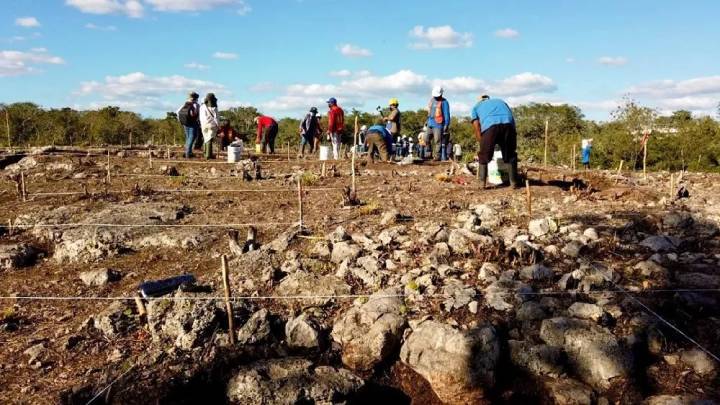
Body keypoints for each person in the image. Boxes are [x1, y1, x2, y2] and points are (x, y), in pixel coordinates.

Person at [471, 95, 519, 188]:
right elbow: (511, 118)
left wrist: (482, 144)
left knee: (484, 156)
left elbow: (476, 126)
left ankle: (481, 184)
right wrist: (513, 134)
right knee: (511, 155)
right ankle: (514, 183)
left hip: (490, 127)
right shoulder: (500, 101)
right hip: (508, 124)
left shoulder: (476, 107)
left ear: (479, 101)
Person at [426, 86, 451, 161]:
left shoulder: (444, 102)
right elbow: (429, 112)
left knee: (437, 141)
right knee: (426, 138)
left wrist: (446, 124)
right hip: (430, 122)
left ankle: (437, 156)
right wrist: (427, 122)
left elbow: (447, 114)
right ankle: (428, 153)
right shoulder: (432, 100)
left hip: (438, 124)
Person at [177, 92, 200, 158]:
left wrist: (180, 120)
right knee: (192, 137)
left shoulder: (185, 104)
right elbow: (198, 114)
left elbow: (177, 112)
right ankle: (188, 153)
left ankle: (188, 152)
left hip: (185, 123)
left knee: (188, 137)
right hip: (193, 123)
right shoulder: (196, 105)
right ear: (196, 98)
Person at [199, 93, 219, 160]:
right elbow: (216, 118)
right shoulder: (214, 108)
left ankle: (205, 153)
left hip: (204, 125)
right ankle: (208, 155)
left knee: (205, 138)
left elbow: (201, 117)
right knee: (209, 139)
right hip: (212, 125)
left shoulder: (202, 107)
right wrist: (218, 125)